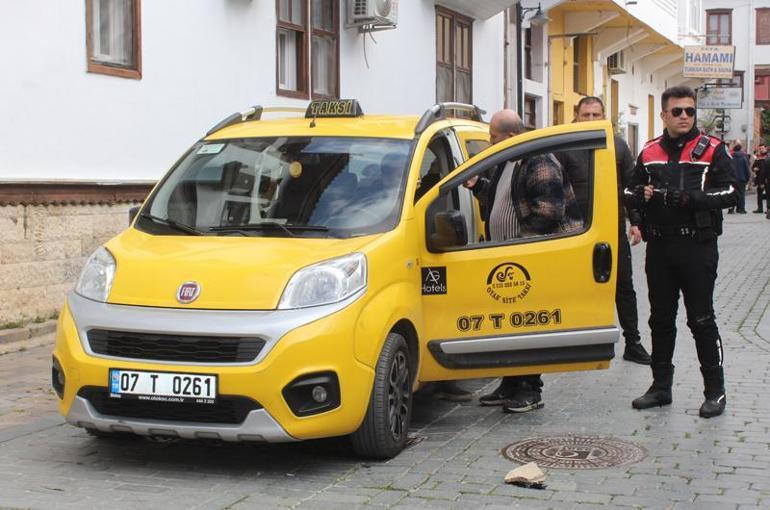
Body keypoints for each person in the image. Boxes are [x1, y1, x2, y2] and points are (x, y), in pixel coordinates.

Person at [624, 85, 737, 418]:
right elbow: (629, 191)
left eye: (690, 111)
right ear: (664, 115)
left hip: (697, 247)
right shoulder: (649, 151)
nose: (685, 116)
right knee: (660, 320)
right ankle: (661, 387)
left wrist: (690, 199)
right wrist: (639, 199)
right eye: (678, 111)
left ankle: (715, 392)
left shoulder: (713, 149)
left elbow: (731, 193)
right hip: (659, 247)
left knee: (701, 319)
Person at [468, 109, 582, 413]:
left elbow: (549, 211)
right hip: (508, 259)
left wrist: (519, 245)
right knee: (510, 325)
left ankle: (531, 389)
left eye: (493, 137)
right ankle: (510, 383)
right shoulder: (510, 160)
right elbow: (502, 201)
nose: (490, 142)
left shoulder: (538, 160)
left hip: (530, 257)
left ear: (511, 136)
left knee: (527, 324)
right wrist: (478, 186)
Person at [556, 96, 651, 365]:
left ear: (604, 116)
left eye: (596, 115)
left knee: (624, 287)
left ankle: (633, 343)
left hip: (611, 231)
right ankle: (572, 344)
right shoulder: (564, 145)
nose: (591, 120)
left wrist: (636, 222)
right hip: (573, 231)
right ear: (576, 116)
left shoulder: (618, 146)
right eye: (585, 115)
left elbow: (630, 189)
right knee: (574, 287)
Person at [727, 143, 750, 214]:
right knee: (741, 194)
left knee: (732, 194)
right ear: (740, 149)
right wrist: (747, 178)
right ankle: (741, 209)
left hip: (732, 178)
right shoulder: (744, 157)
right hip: (742, 178)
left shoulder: (730, 157)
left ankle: (731, 209)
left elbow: (728, 168)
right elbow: (747, 169)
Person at [752, 144, 768, 213]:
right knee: (759, 194)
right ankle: (760, 208)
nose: (761, 150)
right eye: (760, 148)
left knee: (768, 195)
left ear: (766, 148)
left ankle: (768, 209)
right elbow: (753, 167)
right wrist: (754, 169)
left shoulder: (768, 157)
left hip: (767, 178)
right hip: (759, 178)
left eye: (762, 148)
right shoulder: (758, 157)